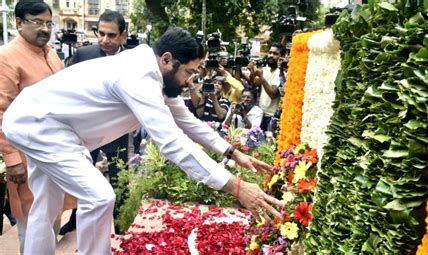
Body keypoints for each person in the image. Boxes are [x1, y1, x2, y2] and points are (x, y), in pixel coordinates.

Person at [2, 27, 283, 255]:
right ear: (167, 59)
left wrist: (233, 153)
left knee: (47, 203)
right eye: (189, 72)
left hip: (46, 123)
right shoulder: (138, 76)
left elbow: (187, 122)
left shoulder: (157, 77)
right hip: (39, 124)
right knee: (99, 196)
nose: (189, 82)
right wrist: (235, 186)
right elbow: (171, 142)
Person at [0, 1, 64, 252]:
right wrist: (12, 158)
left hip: (56, 152)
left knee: (54, 217)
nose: (45, 29)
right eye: (37, 22)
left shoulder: (51, 53)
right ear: (19, 23)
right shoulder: (7, 57)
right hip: (26, 157)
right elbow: (0, 111)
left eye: (49, 23)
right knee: (33, 222)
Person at [59, 10, 129, 236]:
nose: (105, 40)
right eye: (101, 34)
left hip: (117, 130)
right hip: (86, 130)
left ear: (123, 35)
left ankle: (122, 223)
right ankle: (75, 218)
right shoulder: (84, 54)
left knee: (120, 177)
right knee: (81, 175)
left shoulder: (132, 60)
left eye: (111, 35)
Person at [248, 42, 284, 131]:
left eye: (275, 54)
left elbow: (273, 94)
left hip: (272, 118)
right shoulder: (264, 69)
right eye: (270, 52)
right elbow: (254, 84)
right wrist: (252, 72)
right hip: (260, 114)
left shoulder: (281, 74)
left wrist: (261, 76)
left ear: (281, 57)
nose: (271, 55)